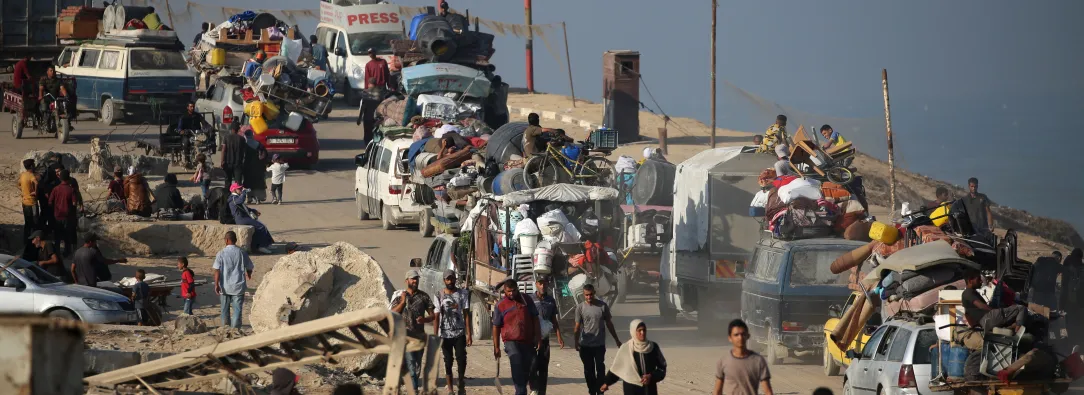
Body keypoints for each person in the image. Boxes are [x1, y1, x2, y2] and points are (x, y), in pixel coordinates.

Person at [953, 270, 1031, 351]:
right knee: (1021, 308)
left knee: (1013, 318)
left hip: (984, 322)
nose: (981, 281)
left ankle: (1014, 332)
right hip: (989, 318)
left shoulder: (970, 293)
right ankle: (1017, 337)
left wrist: (975, 326)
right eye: (978, 279)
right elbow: (981, 306)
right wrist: (996, 310)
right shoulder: (968, 293)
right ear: (970, 281)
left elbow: (968, 314)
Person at [492, 278, 540, 395]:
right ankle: (520, 391)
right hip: (510, 341)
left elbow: (535, 318)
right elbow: (496, 327)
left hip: (527, 340)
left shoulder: (526, 299)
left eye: (513, 291)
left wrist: (538, 338)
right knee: (516, 361)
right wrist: (496, 347)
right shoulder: (501, 305)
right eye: (509, 291)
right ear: (504, 290)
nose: (511, 294)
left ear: (517, 289)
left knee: (530, 367)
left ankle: (526, 387)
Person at [390, 269, 435, 391]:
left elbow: (433, 315)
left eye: (417, 279)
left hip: (419, 336)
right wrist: (403, 302)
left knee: (417, 364)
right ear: (407, 281)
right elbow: (392, 313)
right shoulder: (400, 296)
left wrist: (424, 320)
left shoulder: (424, 296)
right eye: (413, 279)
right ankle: (414, 389)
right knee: (411, 363)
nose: (415, 281)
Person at [575, 283, 621, 395]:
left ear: (594, 293)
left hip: (599, 345)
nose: (589, 297)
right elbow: (577, 327)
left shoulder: (602, 306)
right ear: (583, 295)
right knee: (588, 371)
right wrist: (576, 342)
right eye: (586, 295)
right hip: (585, 345)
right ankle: (592, 391)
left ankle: (600, 391)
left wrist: (616, 339)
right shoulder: (580, 307)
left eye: (590, 295)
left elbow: (609, 324)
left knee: (600, 369)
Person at [599, 319, 667, 395]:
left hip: (649, 389)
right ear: (633, 331)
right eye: (639, 330)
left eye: (644, 330)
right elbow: (616, 369)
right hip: (631, 389)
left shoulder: (653, 347)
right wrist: (606, 383)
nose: (642, 333)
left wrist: (651, 376)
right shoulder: (625, 348)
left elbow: (662, 368)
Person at [433, 269, 471, 394]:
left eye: (452, 278)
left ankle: (461, 383)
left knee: (462, 359)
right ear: (444, 280)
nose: (450, 281)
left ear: (455, 279)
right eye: (447, 279)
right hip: (445, 334)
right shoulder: (439, 295)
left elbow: (466, 314)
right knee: (448, 361)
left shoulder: (462, 294)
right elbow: (437, 316)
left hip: (459, 332)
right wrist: (435, 336)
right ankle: (450, 388)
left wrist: (468, 334)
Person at [714, 319, 772, 395]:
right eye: (736, 335)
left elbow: (768, 392)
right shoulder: (723, 361)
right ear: (730, 338)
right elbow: (717, 391)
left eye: (743, 334)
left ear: (748, 336)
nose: (740, 338)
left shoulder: (758, 361)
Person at [530, 276, 565, 395]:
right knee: (532, 366)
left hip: (545, 340)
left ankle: (542, 392)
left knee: (543, 368)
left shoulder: (551, 300)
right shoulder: (530, 299)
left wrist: (559, 336)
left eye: (545, 283)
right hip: (532, 340)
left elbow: (554, 320)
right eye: (540, 283)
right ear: (536, 284)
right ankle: (534, 388)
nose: (542, 286)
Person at [213, 231, 253, 329]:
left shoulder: (221, 253)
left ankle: (225, 329)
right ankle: (235, 330)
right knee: (237, 310)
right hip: (238, 286)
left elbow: (217, 270)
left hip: (225, 286)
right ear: (235, 240)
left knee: (224, 309)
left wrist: (216, 284)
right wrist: (248, 274)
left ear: (226, 240)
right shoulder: (242, 252)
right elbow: (249, 266)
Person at [228, 182, 274, 254]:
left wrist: (254, 211)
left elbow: (244, 207)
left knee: (262, 225)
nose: (241, 189)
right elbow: (240, 201)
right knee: (261, 227)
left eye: (241, 188)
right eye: (239, 188)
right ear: (234, 190)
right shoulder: (233, 198)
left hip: (244, 217)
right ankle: (261, 246)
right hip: (241, 219)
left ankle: (268, 243)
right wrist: (244, 192)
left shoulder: (236, 197)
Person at [48, 169, 79, 257]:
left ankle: (57, 252)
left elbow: (50, 202)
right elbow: (74, 203)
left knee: (57, 236)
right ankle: (67, 253)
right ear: (68, 178)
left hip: (57, 216)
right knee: (67, 236)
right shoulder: (71, 190)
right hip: (67, 217)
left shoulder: (55, 189)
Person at [242, 128, 268, 204]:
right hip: (258, 167)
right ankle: (258, 198)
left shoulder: (244, 145)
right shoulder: (258, 144)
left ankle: (249, 197)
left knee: (248, 182)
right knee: (257, 182)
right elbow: (265, 154)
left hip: (247, 167)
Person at [19, 159, 38, 249]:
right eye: (33, 165)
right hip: (32, 202)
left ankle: (25, 241)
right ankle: (33, 241)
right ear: (31, 166)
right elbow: (36, 182)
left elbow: (18, 184)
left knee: (27, 223)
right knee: (34, 222)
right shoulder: (31, 175)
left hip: (24, 201)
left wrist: (24, 192)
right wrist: (35, 192)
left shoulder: (22, 175)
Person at [221, 122, 247, 188]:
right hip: (238, 163)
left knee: (227, 182)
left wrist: (222, 161)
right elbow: (244, 151)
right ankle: (238, 197)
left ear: (231, 129)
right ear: (238, 129)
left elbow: (223, 150)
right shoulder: (242, 139)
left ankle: (227, 196)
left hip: (227, 163)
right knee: (238, 183)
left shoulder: (226, 137)